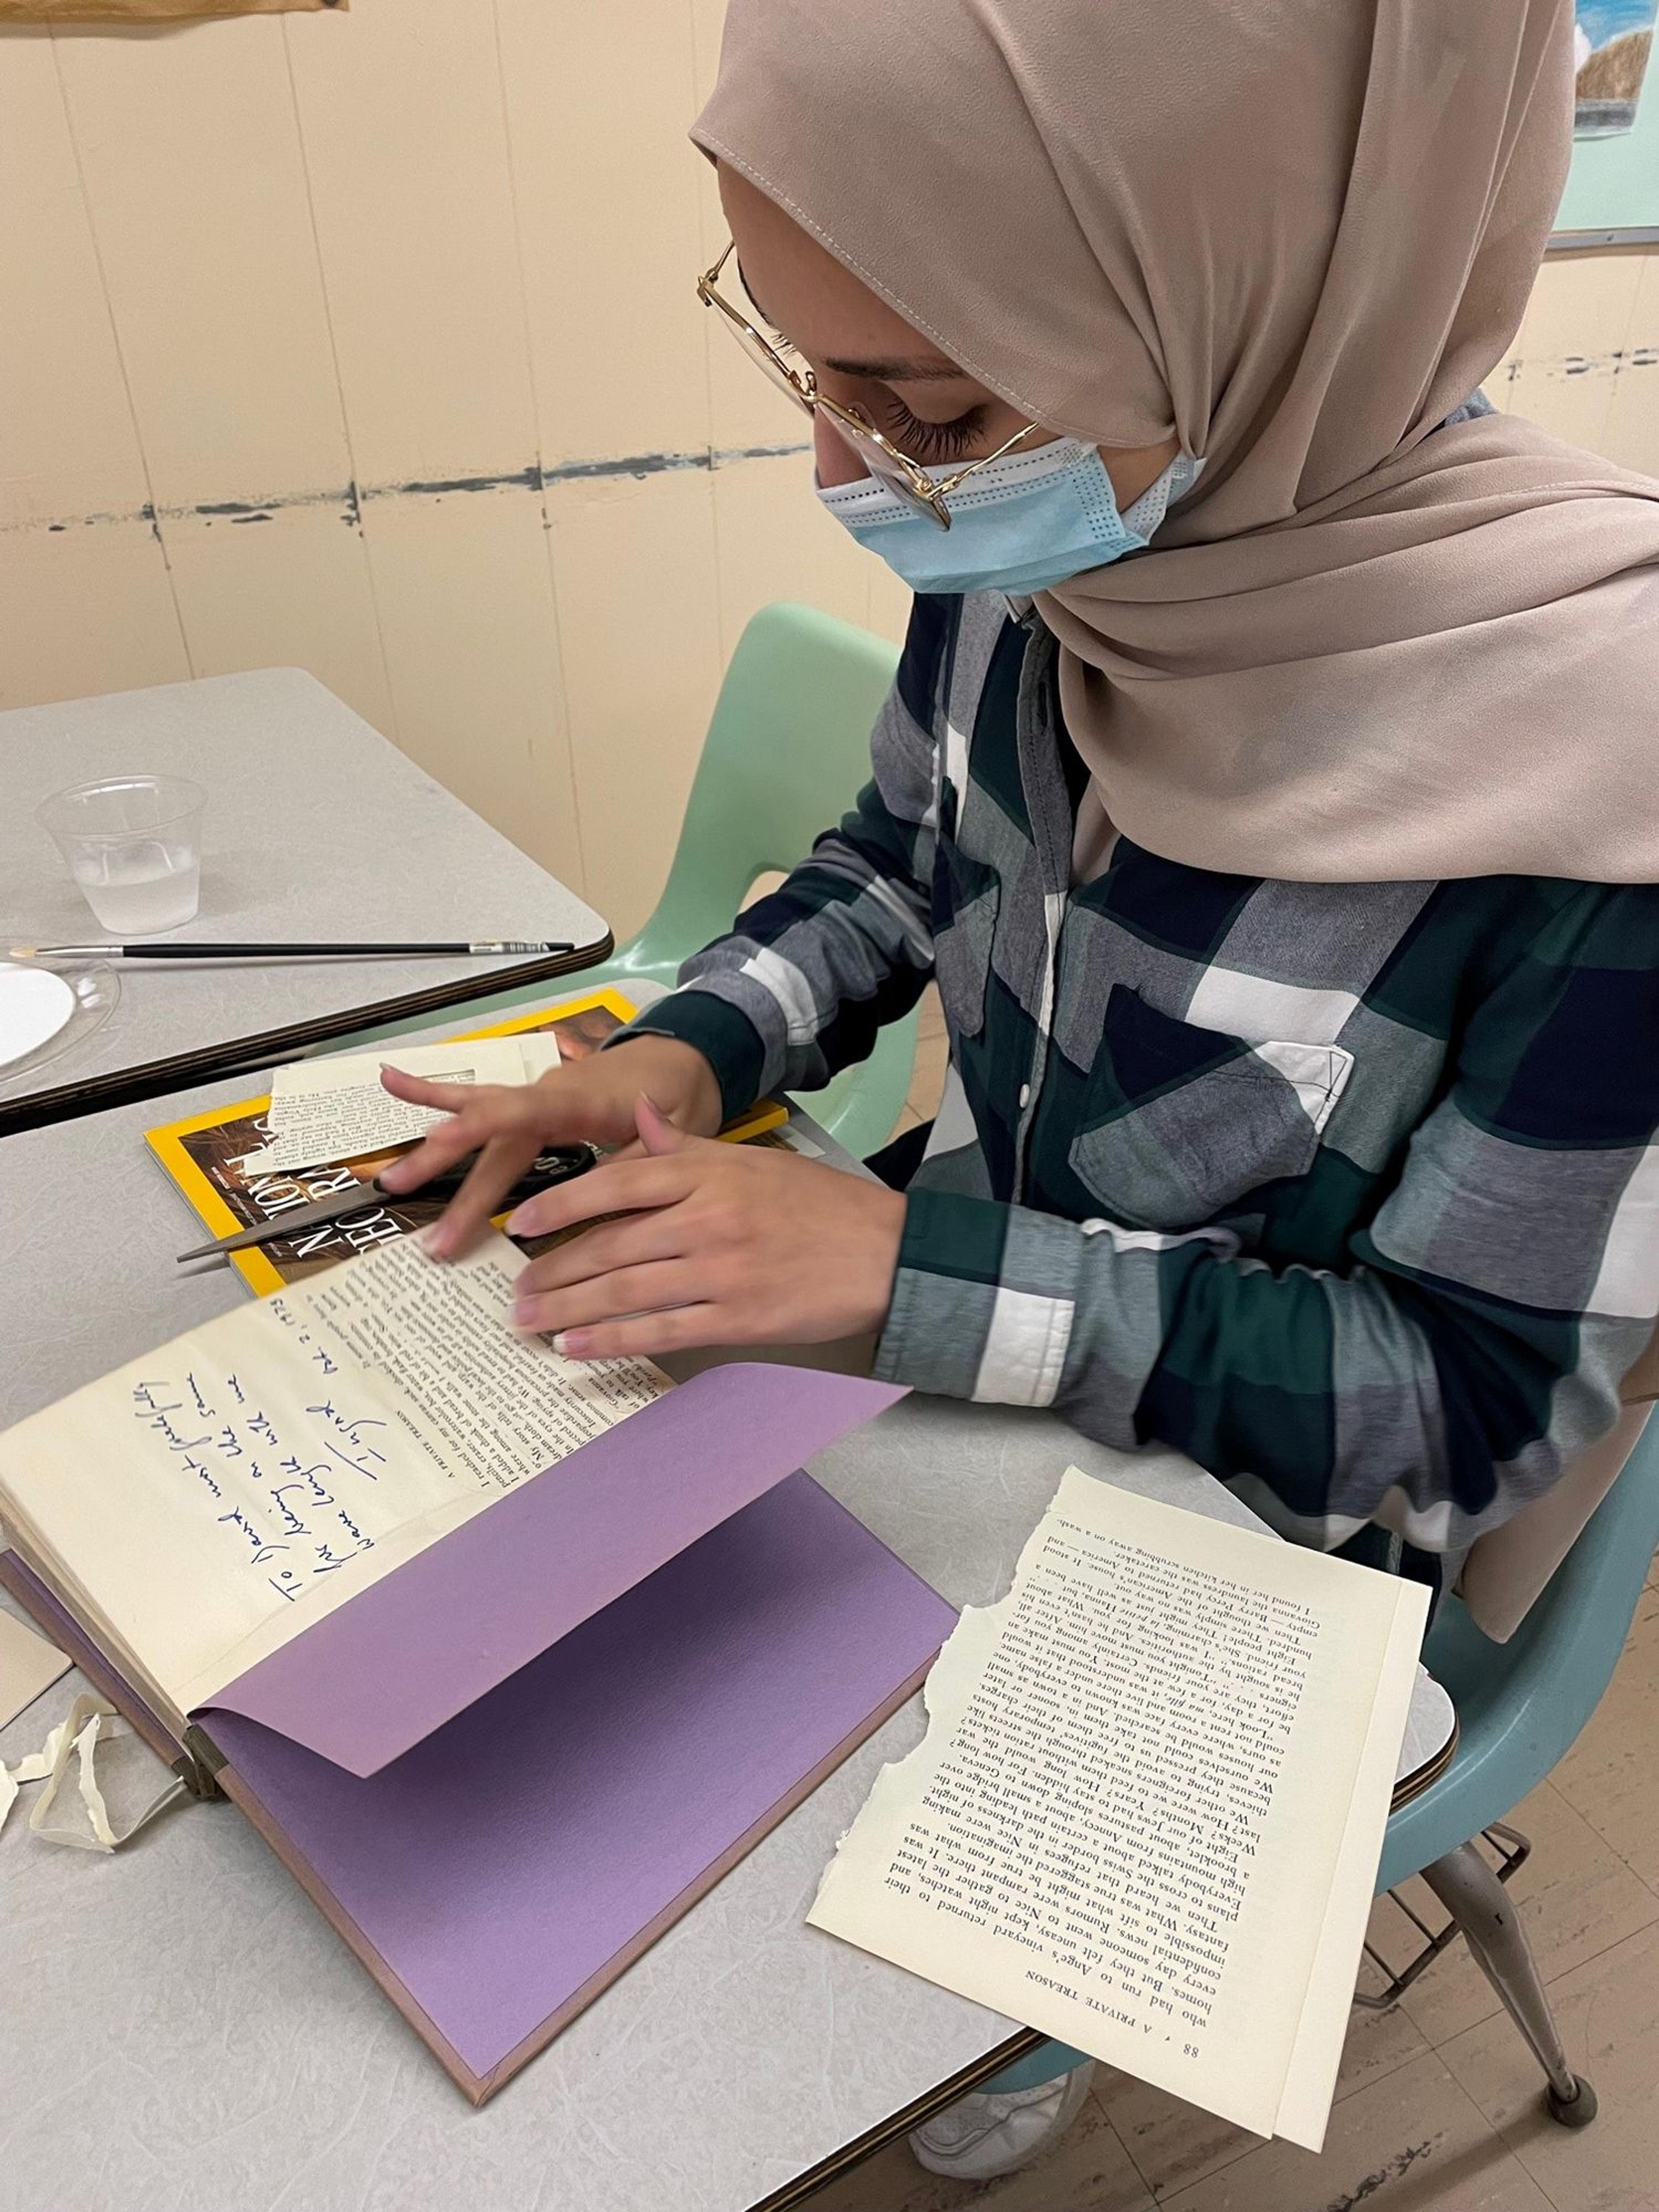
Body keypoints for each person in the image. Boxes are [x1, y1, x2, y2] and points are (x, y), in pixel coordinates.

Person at [380, 0, 1659, 2177]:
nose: (836, 468)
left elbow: (1467, 1397)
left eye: (928, 399)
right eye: (806, 372)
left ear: (1266, 310)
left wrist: (909, 1273)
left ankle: (1024, 2012)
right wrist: (681, 1049)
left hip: (1262, 1513)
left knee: (720, 1998)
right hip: (936, 1349)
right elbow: (903, 855)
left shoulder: (1599, 778)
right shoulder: (1065, 550)